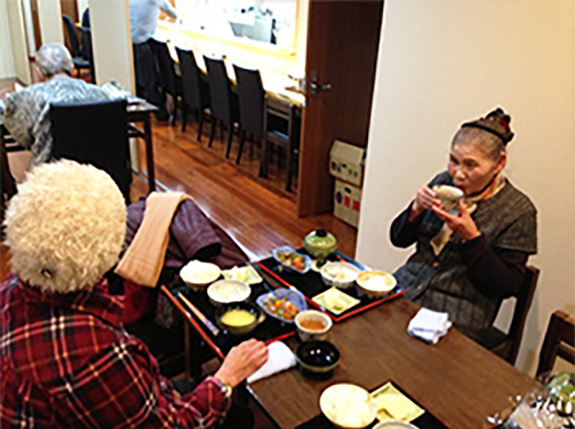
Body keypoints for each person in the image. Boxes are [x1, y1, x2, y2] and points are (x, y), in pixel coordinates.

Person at [0, 160, 268, 428]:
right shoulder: (97, 354)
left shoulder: (11, 289)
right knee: (238, 416)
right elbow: (171, 425)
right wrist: (226, 377)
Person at [390, 108, 537, 343]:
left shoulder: (518, 211)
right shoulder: (442, 182)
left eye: (470, 165)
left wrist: (472, 238)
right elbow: (398, 239)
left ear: (499, 163)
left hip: (459, 315)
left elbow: (506, 284)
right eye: (453, 161)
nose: (458, 174)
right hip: (407, 288)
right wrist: (415, 210)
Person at [1, 43, 111, 166]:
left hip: (51, 174)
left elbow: (22, 138)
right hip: (100, 173)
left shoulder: (27, 97)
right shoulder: (99, 94)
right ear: (71, 66)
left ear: (39, 71)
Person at [129, 0, 178, 120]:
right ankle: (161, 113)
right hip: (141, 45)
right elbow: (174, 15)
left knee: (140, 80)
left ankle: (141, 112)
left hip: (128, 44)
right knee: (150, 81)